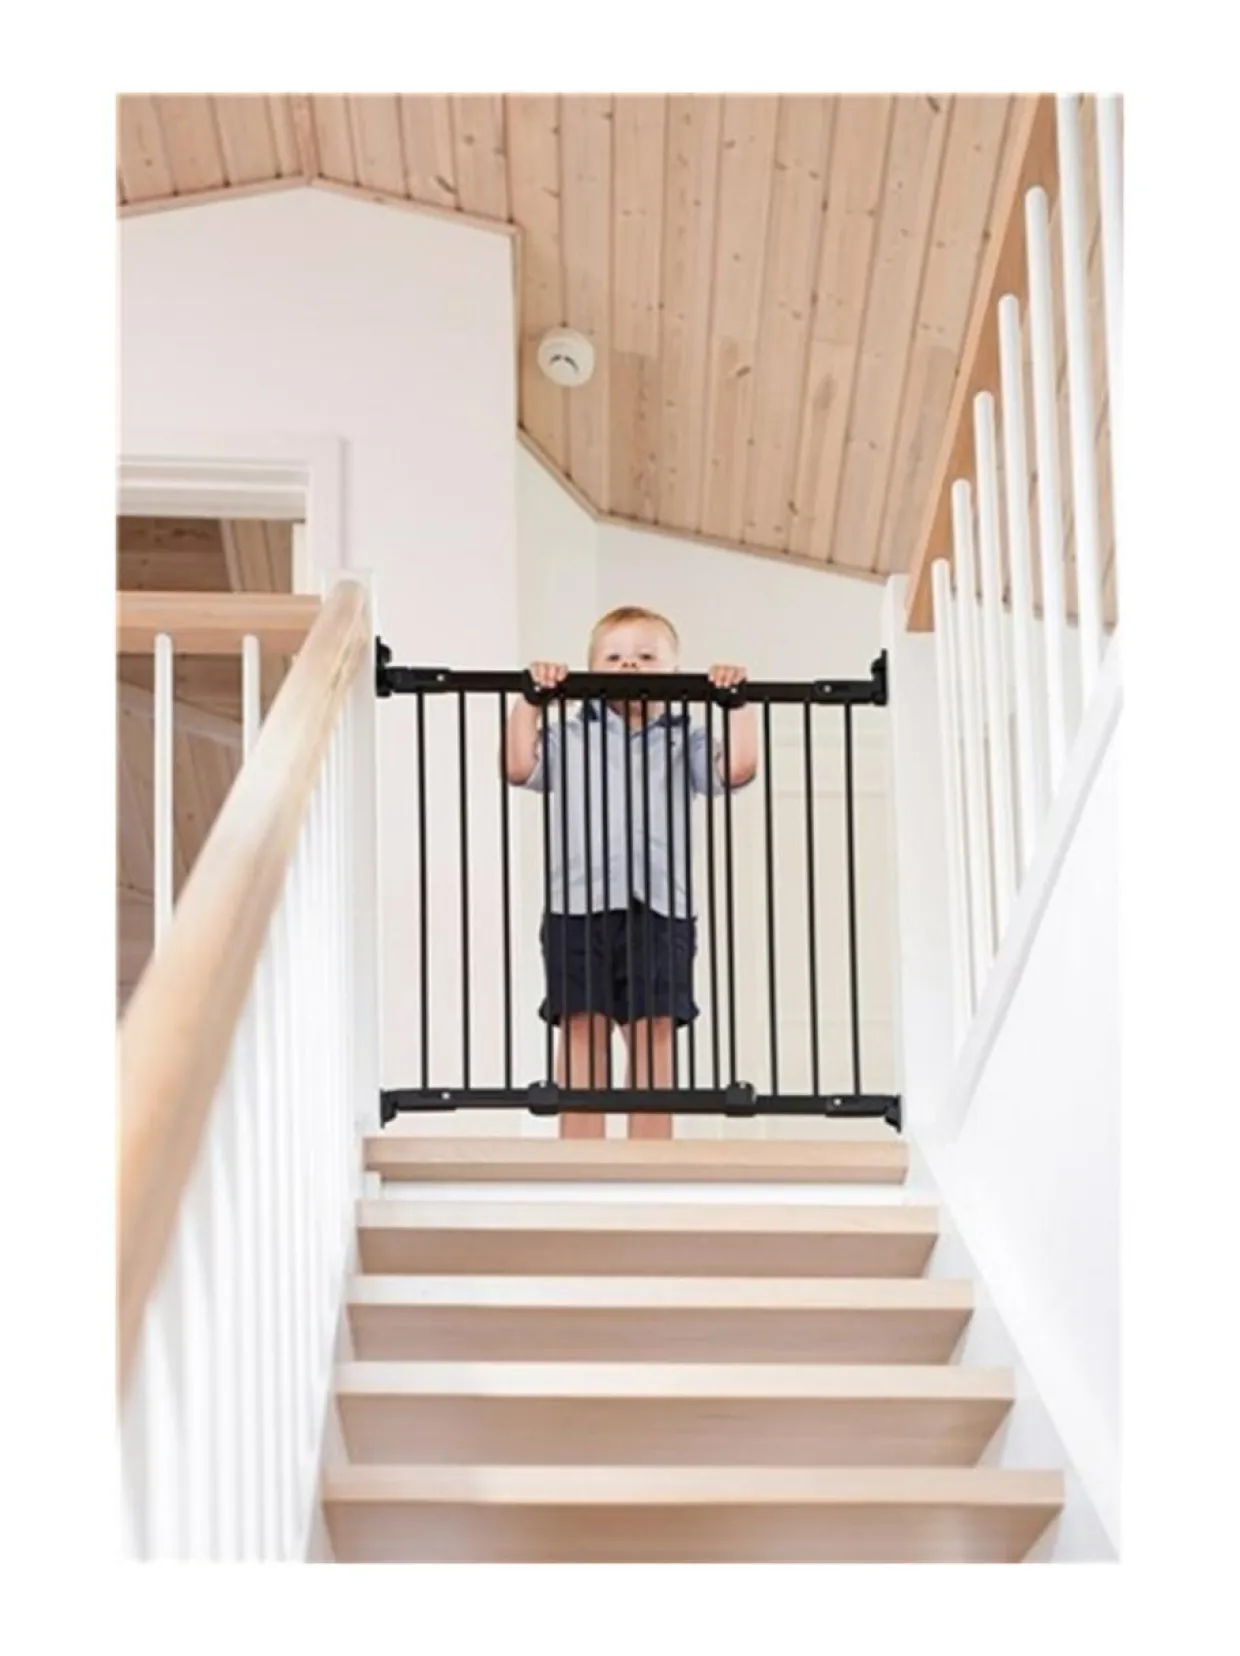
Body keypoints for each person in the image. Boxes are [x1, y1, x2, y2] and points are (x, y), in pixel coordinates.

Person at [504, 605, 757, 1140]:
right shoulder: (570, 735)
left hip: (660, 906)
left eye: (646, 656)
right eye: (614, 657)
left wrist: (736, 703)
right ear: (590, 669)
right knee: (581, 1028)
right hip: (578, 906)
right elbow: (519, 766)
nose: (630, 666)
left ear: (674, 673)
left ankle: (651, 1154)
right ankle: (581, 1153)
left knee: (653, 1033)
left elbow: (736, 769)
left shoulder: (685, 739)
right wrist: (530, 699)